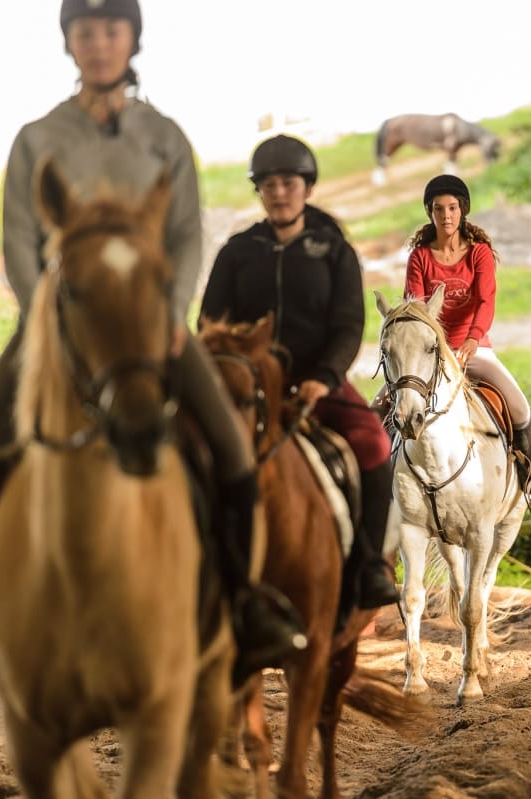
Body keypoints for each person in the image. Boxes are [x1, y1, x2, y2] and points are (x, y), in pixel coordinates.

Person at [0, 0, 304, 682]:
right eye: (85, 31)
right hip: (58, 327)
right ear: (69, 42)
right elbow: (19, 241)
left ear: (132, 38)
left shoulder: (164, 137)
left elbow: (184, 237)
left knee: (233, 451)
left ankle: (244, 601)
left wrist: (169, 318)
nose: (99, 42)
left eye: (112, 29)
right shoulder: (38, 137)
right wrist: (47, 322)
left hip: (152, 329)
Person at [200, 134, 401, 615]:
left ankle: (372, 564)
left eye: (288, 182)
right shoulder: (236, 252)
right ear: (260, 192)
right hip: (249, 388)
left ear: (306, 187)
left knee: (373, 441)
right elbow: (209, 323)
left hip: (317, 382)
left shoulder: (334, 251)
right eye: (268, 185)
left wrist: (326, 376)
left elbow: (349, 324)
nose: (279, 192)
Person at [399, 173, 531, 511]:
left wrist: (471, 342)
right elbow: (414, 306)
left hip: (474, 349)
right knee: (384, 403)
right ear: (429, 212)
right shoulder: (419, 257)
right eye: (439, 209)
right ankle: (379, 482)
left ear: (463, 211)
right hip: (431, 355)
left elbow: (486, 301)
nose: (446, 216)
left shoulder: (479, 254)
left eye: (453, 208)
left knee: (519, 406)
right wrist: (436, 349)